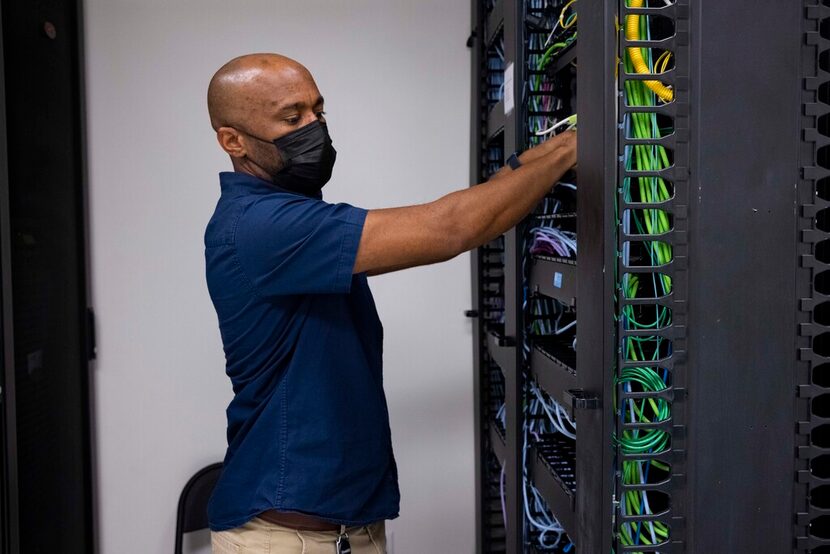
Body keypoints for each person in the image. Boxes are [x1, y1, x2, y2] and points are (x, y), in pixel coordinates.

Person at [204, 53, 576, 554]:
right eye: (292, 118)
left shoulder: (290, 217)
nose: (315, 127)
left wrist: (530, 162)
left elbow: (467, 212)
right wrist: (577, 144)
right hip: (284, 539)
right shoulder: (259, 227)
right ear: (233, 140)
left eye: (318, 111)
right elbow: (449, 229)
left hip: (345, 528)